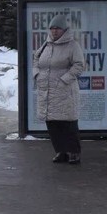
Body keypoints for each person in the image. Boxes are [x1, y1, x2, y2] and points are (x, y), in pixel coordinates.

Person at [33, 15, 86, 164]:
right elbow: (36, 59)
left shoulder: (72, 45)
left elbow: (79, 65)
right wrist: (37, 74)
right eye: (52, 28)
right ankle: (60, 151)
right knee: (52, 123)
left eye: (58, 28)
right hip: (47, 92)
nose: (55, 31)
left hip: (64, 91)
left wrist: (64, 80)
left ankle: (74, 152)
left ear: (64, 30)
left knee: (68, 123)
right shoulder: (46, 45)